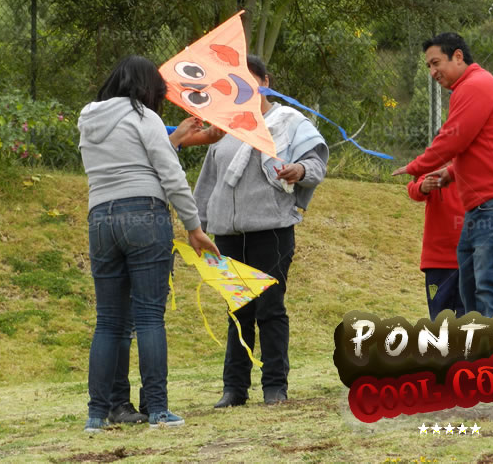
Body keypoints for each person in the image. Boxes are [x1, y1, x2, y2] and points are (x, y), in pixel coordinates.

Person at [78, 55, 220, 432]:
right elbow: (170, 174)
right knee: (149, 317)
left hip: (100, 218)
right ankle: (157, 410)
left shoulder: (88, 118)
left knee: (108, 321)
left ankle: (96, 415)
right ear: (147, 89)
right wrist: (194, 226)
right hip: (144, 214)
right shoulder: (144, 116)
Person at [193, 55, 328, 408]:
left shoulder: (289, 122)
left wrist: (299, 170)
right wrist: (199, 226)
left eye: (246, 80)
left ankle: (274, 387)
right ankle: (234, 388)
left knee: (269, 309)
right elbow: (208, 181)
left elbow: (316, 165)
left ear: (264, 82)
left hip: (271, 230)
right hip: (226, 234)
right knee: (238, 311)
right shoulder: (223, 127)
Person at [393, 32, 493, 317]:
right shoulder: (474, 87)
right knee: (470, 287)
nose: (432, 72)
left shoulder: (474, 86)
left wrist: (415, 166)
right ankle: (482, 344)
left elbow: (452, 140)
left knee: (490, 283)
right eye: (428, 66)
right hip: (483, 207)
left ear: (457, 56)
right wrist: (450, 172)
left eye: (436, 63)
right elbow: (482, 146)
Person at [107, 117, 225, 426]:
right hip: (129, 221)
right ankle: (121, 404)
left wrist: (215, 127)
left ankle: (149, 403)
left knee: (144, 319)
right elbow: (146, 164)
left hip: (142, 226)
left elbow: (199, 137)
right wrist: (172, 143)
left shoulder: (150, 123)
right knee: (125, 322)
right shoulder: (117, 124)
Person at [407, 169, 466, 320]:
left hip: (470, 262)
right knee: (439, 316)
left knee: (468, 316)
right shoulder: (433, 172)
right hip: (438, 262)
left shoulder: (473, 172)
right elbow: (414, 189)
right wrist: (423, 187)